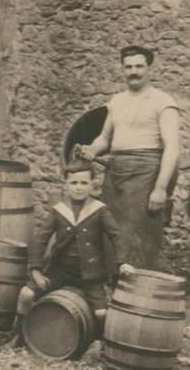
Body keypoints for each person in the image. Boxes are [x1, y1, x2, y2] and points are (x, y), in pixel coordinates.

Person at [76, 45, 179, 270]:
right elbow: (104, 138)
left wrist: (160, 188)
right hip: (116, 174)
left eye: (139, 66)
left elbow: (172, 147)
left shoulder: (163, 101)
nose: (134, 72)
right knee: (111, 231)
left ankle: (137, 295)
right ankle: (112, 288)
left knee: (140, 239)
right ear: (122, 69)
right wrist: (92, 149)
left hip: (147, 175)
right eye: (128, 67)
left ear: (149, 68)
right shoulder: (116, 102)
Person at [17, 160, 133, 323]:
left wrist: (123, 262)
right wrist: (36, 270)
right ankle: (19, 333)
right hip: (59, 271)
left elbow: (117, 236)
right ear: (66, 185)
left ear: (92, 184)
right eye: (74, 183)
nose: (79, 187)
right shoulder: (59, 210)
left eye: (84, 183)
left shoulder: (99, 210)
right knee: (25, 294)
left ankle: (97, 343)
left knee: (101, 314)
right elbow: (41, 239)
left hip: (89, 275)